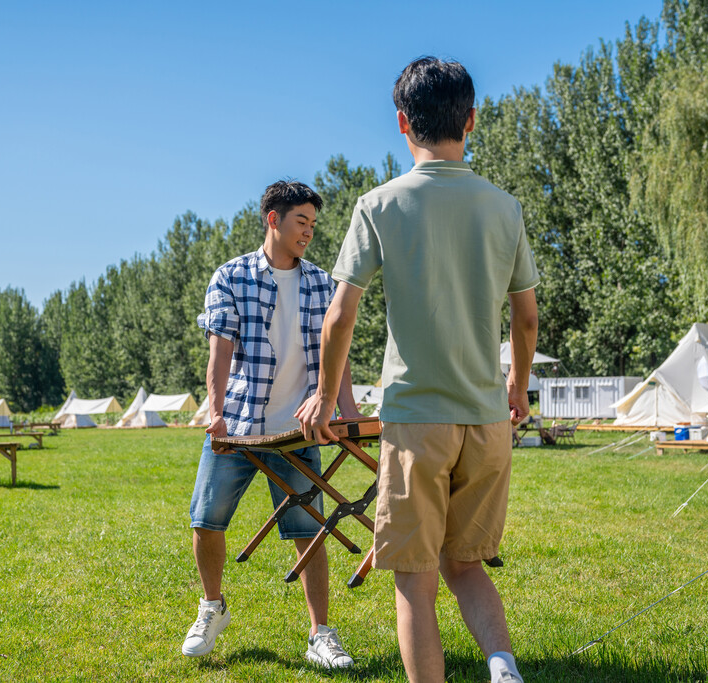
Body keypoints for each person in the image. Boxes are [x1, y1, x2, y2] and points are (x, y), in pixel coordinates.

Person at [296, 57, 540, 683]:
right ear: (472, 121)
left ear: (402, 122)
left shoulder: (379, 205)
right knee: (467, 566)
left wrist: (326, 396)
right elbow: (527, 320)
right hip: (486, 420)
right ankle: (504, 669)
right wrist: (516, 391)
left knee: (414, 578)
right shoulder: (505, 207)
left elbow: (340, 316)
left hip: (417, 420)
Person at [184, 180, 360, 669]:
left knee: (311, 531)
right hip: (239, 426)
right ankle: (212, 607)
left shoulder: (324, 283)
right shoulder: (231, 276)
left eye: (313, 225)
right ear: (273, 219)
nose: (308, 232)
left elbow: (338, 354)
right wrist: (214, 410)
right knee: (206, 521)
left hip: (299, 430)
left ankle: (321, 633)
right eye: (301, 222)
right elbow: (219, 351)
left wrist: (346, 408)